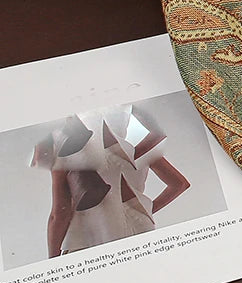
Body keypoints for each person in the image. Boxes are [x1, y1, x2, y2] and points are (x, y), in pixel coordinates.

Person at [29, 109, 191, 259]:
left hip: (95, 234)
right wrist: (147, 210)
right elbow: (180, 184)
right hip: (141, 226)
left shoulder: (68, 161)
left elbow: (59, 215)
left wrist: (53, 260)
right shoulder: (137, 152)